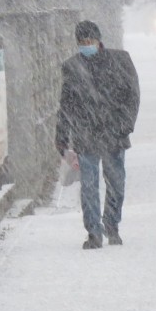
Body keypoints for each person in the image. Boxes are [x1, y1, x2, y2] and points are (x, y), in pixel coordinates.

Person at [55, 20, 140, 249]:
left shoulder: (119, 61)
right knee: (89, 186)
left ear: (99, 40)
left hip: (114, 133)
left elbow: (132, 95)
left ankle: (112, 225)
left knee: (116, 184)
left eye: (89, 41)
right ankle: (94, 232)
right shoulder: (72, 68)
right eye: (82, 42)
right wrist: (62, 140)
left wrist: (125, 125)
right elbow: (66, 106)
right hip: (86, 136)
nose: (86, 45)